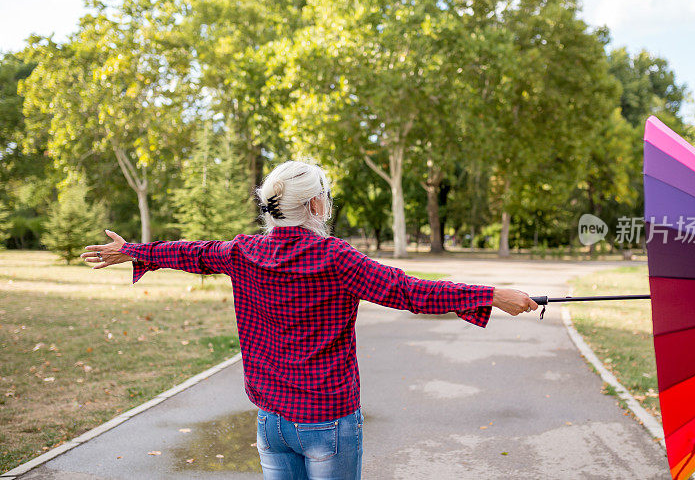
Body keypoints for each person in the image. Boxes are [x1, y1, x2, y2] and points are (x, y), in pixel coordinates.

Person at [81, 160, 538, 480]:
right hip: (328, 421)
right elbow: (405, 291)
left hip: (272, 420)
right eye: (327, 196)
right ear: (317, 206)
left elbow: (192, 253)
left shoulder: (243, 251)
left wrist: (134, 252)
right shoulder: (335, 256)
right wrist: (491, 295)